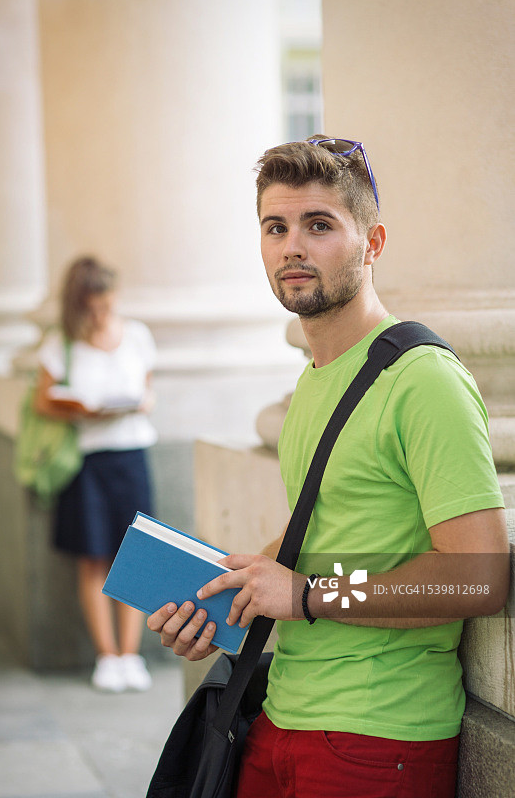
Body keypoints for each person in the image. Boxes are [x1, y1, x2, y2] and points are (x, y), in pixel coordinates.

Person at [147, 137, 509, 796]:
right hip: (278, 715)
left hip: (378, 736)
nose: (292, 246)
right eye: (275, 227)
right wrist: (218, 605)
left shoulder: (421, 378)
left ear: (371, 243)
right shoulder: (312, 378)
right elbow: (324, 528)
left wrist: (310, 596)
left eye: (319, 226)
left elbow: (478, 576)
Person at [35, 255, 158, 693]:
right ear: (79, 303)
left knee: (137, 555)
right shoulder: (61, 343)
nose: (102, 312)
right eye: (93, 305)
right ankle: (107, 656)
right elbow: (42, 401)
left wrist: (139, 402)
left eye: (107, 302)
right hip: (86, 460)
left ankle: (131, 654)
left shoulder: (137, 336)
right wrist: (80, 407)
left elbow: (147, 391)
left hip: (131, 454)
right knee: (93, 558)